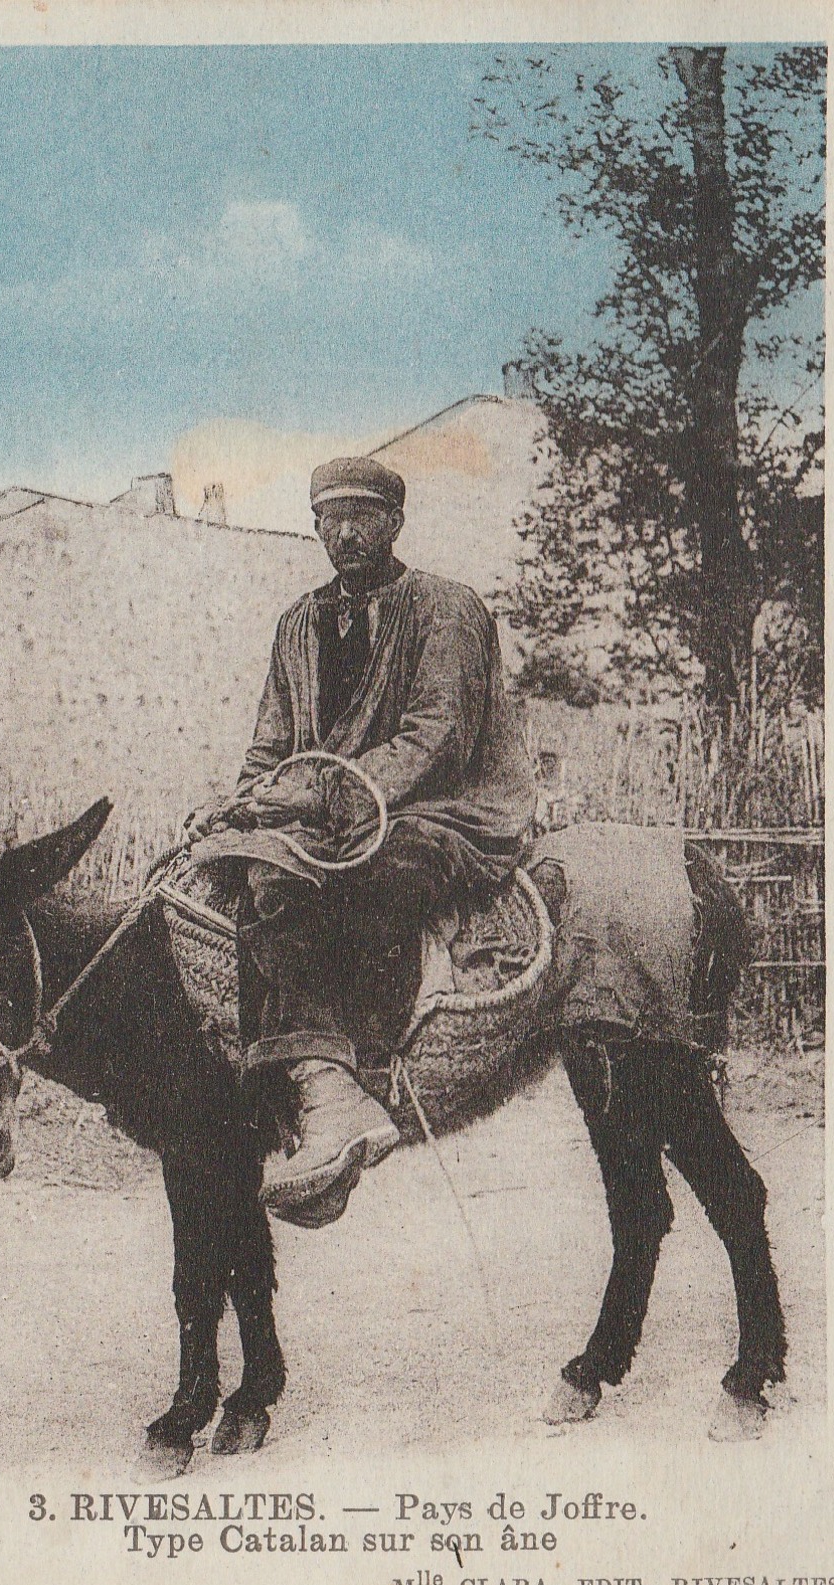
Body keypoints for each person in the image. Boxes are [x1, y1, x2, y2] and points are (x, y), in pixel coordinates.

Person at [186, 455, 536, 1225]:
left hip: (444, 810)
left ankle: (358, 1084)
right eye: (329, 518)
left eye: (363, 517)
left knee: (375, 879)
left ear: (395, 525)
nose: (345, 532)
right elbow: (269, 748)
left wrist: (324, 794)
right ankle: (313, 1098)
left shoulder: (448, 609)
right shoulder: (297, 625)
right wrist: (245, 806)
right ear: (314, 527)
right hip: (330, 815)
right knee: (253, 878)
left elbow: (436, 737)